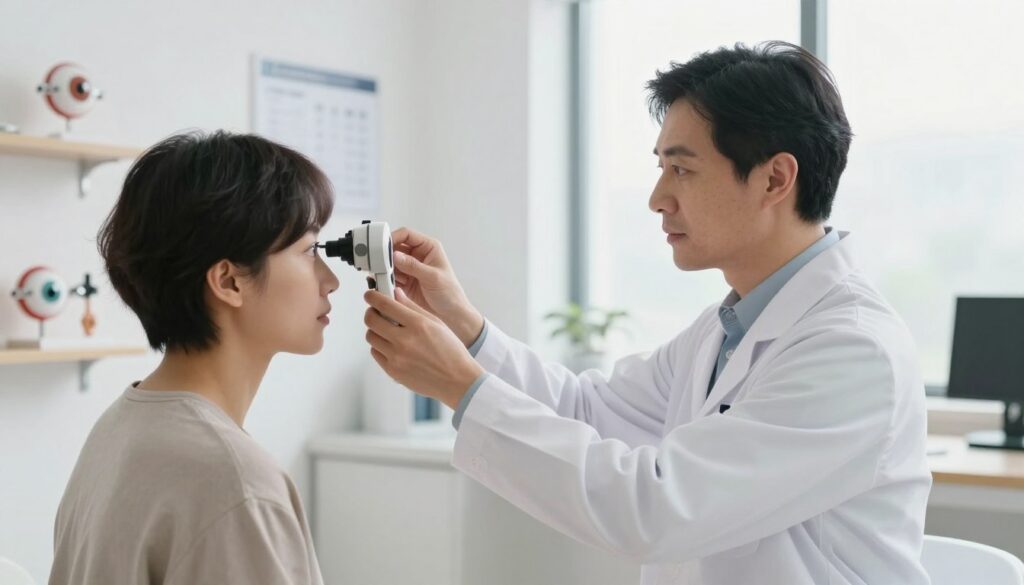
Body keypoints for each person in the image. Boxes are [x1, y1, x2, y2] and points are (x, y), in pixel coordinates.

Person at [362, 42, 931, 584]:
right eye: (661, 167)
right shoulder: (725, 329)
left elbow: (658, 509)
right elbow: (586, 409)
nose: (658, 197)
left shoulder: (853, 350)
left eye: (681, 169)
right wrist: (465, 325)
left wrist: (464, 388)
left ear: (775, 179)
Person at [49, 131, 338, 585]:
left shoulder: (118, 429)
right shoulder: (236, 482)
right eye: (309, 252)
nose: (330, 280)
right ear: (228, 281)